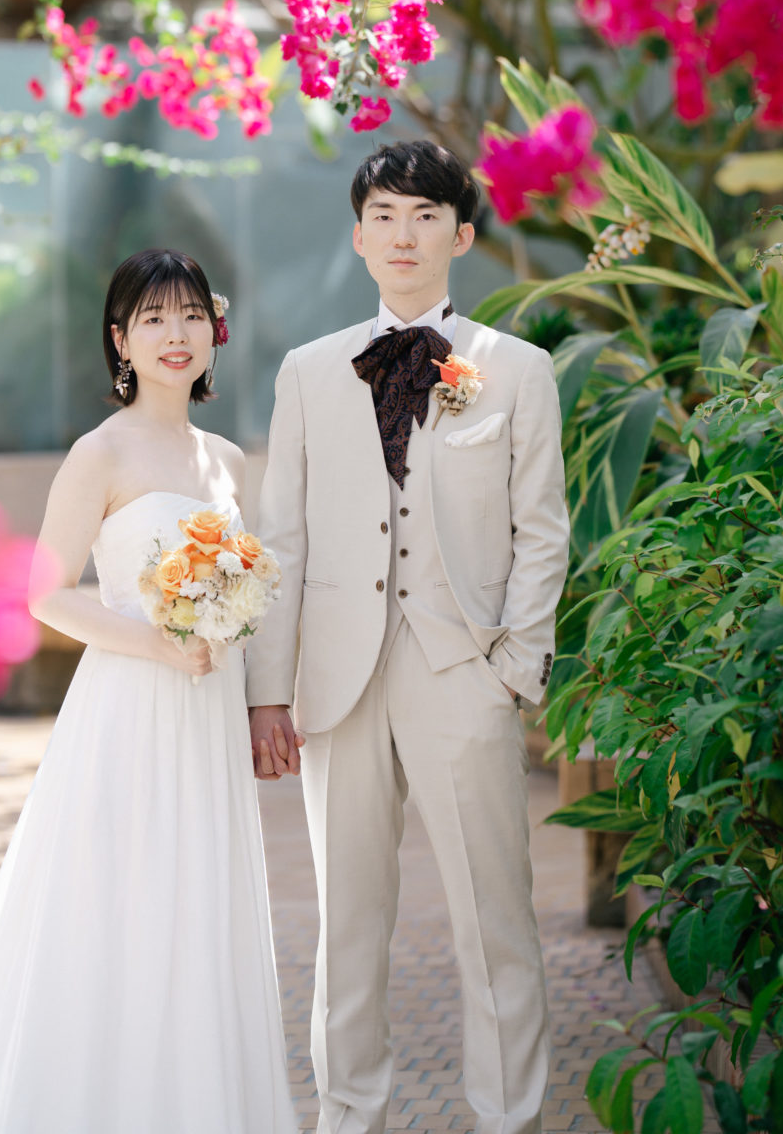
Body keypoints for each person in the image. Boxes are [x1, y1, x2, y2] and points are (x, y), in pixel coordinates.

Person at [0, 247, 297, 1134]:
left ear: (214, 332)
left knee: (196, 914)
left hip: (206, 709)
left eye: (189, 315)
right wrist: (156, 640)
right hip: (130, 706)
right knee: (116, 908)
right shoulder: (99, 451)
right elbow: (46, 590)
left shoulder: (226, 460)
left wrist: (247, 675)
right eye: (151, 319)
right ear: (120, 341)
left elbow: (244, 593)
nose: (173, 335)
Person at [246, 140, 570, 1134]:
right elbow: (284, 536)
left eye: (424, 214)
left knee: (495, 922)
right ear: (357, 236)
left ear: (460, 234)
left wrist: (513, 666)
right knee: (346, 926)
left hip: (460, 670)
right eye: (383, 213)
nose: (402, 231)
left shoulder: (515, 370)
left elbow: (541, 528)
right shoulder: (306, 371)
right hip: (336, 682)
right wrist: (269, 689)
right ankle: (350, 1115)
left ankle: (506, 1115)